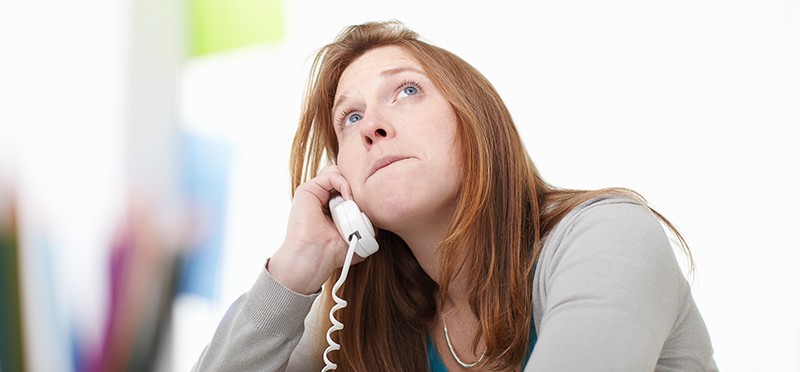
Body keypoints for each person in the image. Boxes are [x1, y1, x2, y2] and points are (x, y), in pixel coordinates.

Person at [192, 21, 717, 371]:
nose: (372, 124)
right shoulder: (359, 313)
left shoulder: (609, 236)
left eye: (407, 91)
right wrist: (292, 272)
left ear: (475, 120)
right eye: (350, 117)